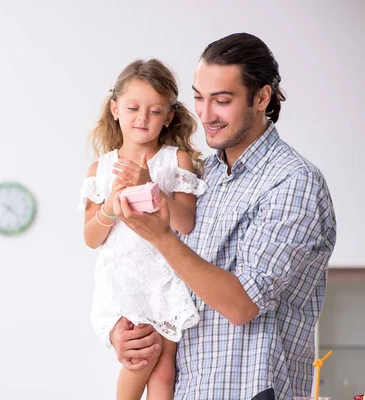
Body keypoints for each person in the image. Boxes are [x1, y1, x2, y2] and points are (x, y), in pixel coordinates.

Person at [109, 33, 337, 400]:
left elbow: (242, 304)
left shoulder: (293, 182)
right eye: (199, 98)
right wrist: (124, 334)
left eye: (223, 101)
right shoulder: (204, 177)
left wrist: (161, 237)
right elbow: (172, 280)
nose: (206, 115)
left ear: (262, 97)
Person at [79, 59, 207, 400]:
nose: (142, 118)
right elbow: (92, 238)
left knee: (165, 367)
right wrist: (109, 206)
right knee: (140, 358)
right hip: (124, 278)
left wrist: (151, 185)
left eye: (155, 111)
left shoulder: (175, 160)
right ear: (115, 108)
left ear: (168, 116)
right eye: (134, 107)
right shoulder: (100, 169)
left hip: (166, 274)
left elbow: (186, 223)